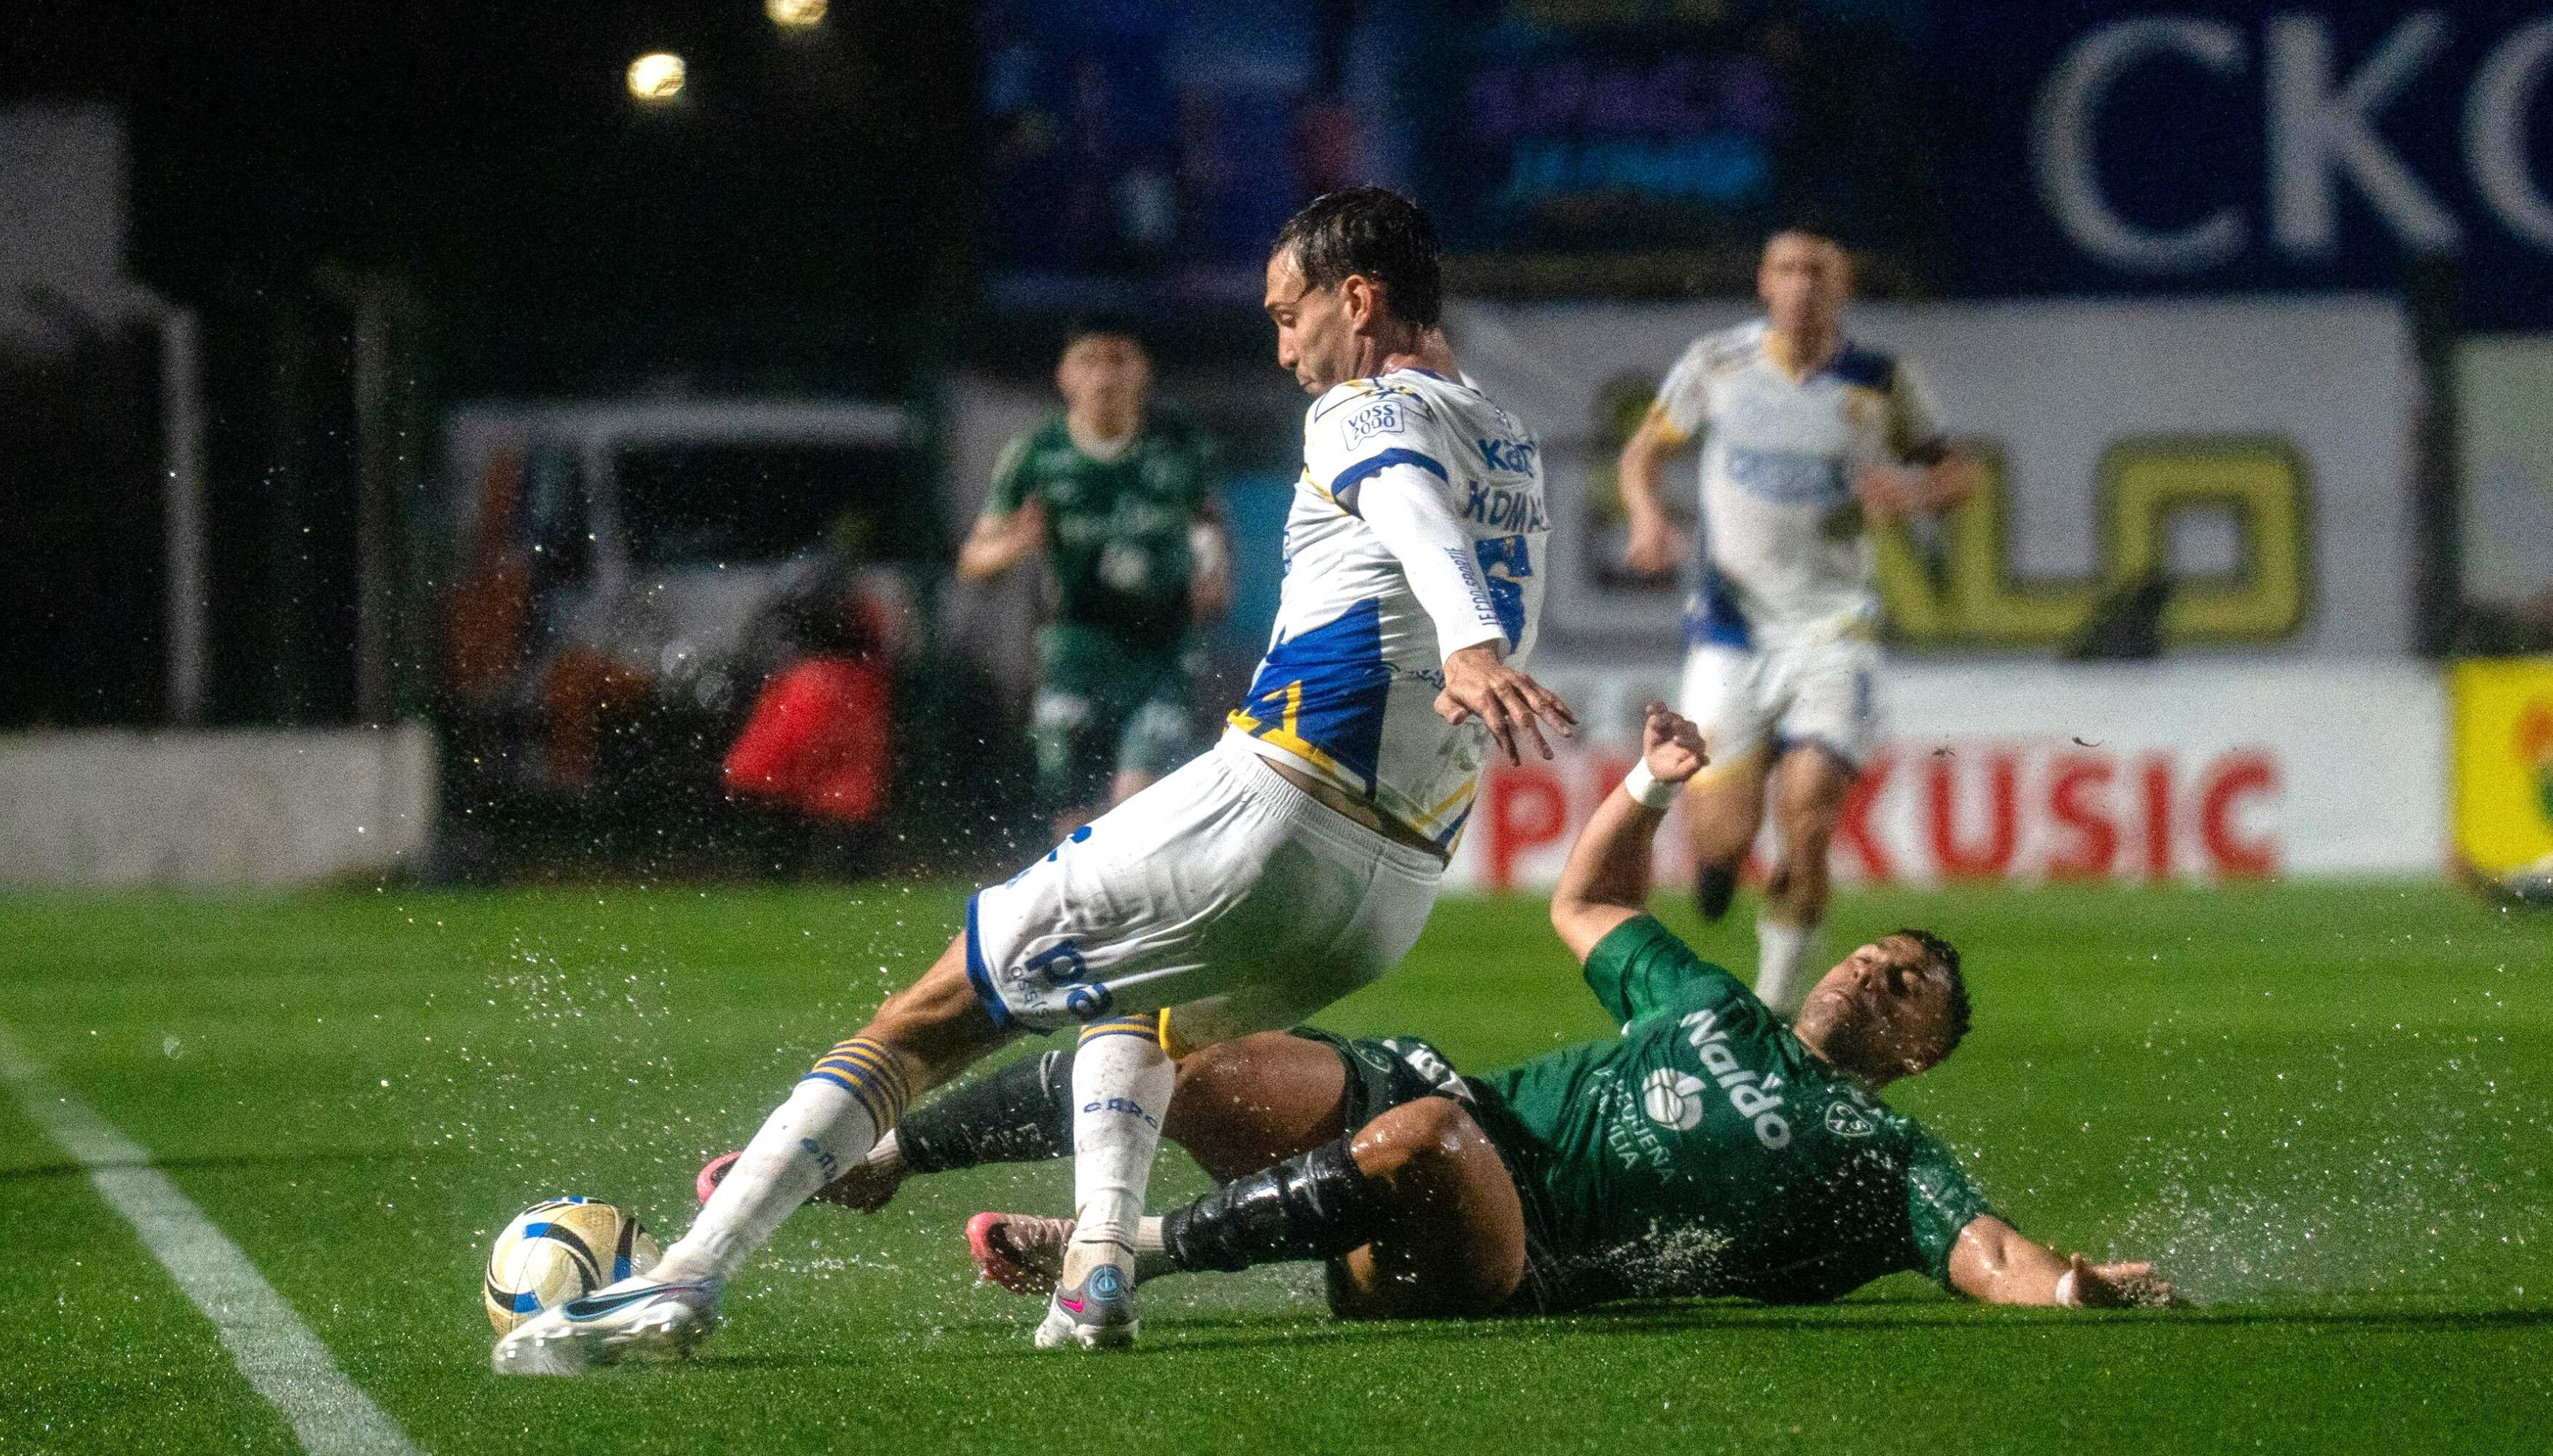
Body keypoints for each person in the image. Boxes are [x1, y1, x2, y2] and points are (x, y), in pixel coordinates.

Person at [491, 186, 1575, 1372]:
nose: (1282, 348)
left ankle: (681, 1282)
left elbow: (1414, 519)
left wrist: (1465, 640)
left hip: (1275, 813)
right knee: (1139, 1005)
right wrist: (1470, 640)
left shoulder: (1367, 405)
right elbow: (1443, 529)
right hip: (1389, 891)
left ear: (1356, 301)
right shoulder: (1508, 438)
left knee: (928, 1015)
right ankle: (1099, 1266)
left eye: (1287, 315)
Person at [839, 704, 2174, 1319]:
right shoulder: (1715, 1004)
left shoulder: (1881, 1161)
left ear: (1918, 1051)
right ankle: (894, 1149)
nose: (1863, 973)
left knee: (1424, 1135)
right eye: (1871, 955)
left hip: (1504, 1247)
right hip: (1452, 1097)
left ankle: (1113, 1249)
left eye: (1902, 988)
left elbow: (1988, 1255)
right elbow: (1585, 901)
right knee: (1188, 1044)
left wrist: (2075, 1282)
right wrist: (1649, 788)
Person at [1616, 230, 1978, 1014]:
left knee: (1808, 819)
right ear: (1762, 284)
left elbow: (1959, 471)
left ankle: (1775, 1010)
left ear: (1840, 288)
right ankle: (1718, 866)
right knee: (1720, 837)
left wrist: (1912, 495)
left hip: (1830, 629)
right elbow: (1642, 451)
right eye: (1786, 269)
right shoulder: (1717, 364)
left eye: (1817, 271)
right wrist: (1645, 517)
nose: (1801, 284)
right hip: (1729, 629)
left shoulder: (1880, 382)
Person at [958, 328, 1227, 836]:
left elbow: (1206, 522)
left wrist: (1213, 572)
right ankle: (1089, 915)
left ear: (1143, 371)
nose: (1103, 375)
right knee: (1076, 821)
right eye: (1087, 360)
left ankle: (1136, 912)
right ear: (1063, 375)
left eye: (1119, 359)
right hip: (1073, 654)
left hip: (1160, 653)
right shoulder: (1037, 454)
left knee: (1135, 806)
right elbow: (973, 558)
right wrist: (1018, 542)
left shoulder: (1179, 446)